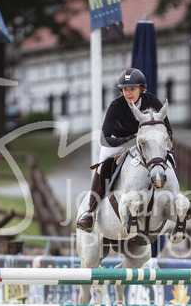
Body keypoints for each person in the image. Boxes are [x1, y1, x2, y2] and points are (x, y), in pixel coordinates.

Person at [76, 68, 181, 232]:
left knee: (169, 157)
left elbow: (168, 130)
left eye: (132, 89)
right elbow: (104, 139)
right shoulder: (116, 106)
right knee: (103, 162)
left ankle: (177, 197)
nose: (128, 93)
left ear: (141, 89)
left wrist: (159, 142)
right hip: (120, 142)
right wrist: (129, 139)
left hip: (147, 143)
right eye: (125, 89)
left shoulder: (153, 102)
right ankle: (90, 211)